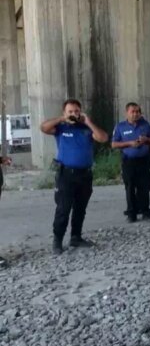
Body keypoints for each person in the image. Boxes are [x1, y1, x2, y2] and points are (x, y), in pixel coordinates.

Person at [40, 99, 108, 255]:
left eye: (76, 111)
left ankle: (76, 237)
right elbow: (43, 128)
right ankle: (58, 241)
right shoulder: (61, 128)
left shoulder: (86, 128)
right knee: (63, 209)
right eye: (70, 111)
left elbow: (103, 138)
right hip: (66, 175)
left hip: (85, 174)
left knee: (80, 208)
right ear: (64, 112)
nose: (73, 114)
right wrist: (62, 119)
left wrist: (88, 122)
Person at [112, 103, 150, 223]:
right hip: (128, 161)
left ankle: (146, 212)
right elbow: (114, 144)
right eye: (133, 112)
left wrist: (146, 140)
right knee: (130, 187)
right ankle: (132, 214)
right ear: (127, 113)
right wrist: (130, 143)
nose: (136, 114)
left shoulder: (145, 125)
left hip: (144, 161)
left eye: (138, 111)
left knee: (144, 187)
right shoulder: (120, 127)